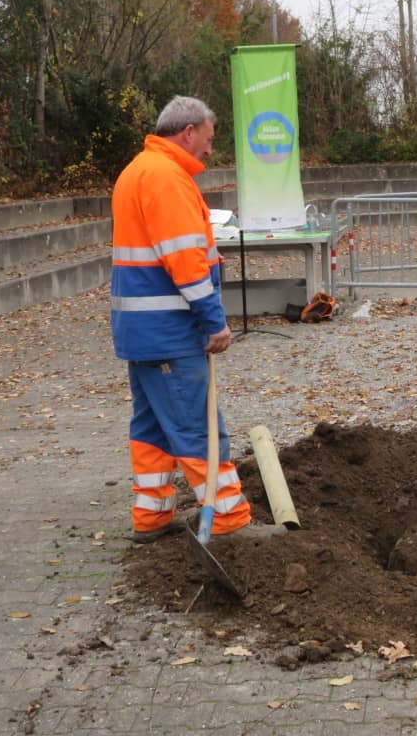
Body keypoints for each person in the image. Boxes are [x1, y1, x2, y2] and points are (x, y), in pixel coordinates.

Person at [110, 96, 281, 543]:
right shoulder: (166, 177)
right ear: (188, 133)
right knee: (194, 425)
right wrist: (213, 321)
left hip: (143, 333)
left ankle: (152, 517)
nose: (209, 150)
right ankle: (228, 521)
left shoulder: (138, 171)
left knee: (150, 427)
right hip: (171, 331)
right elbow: (186, 260)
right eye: (207, 139)